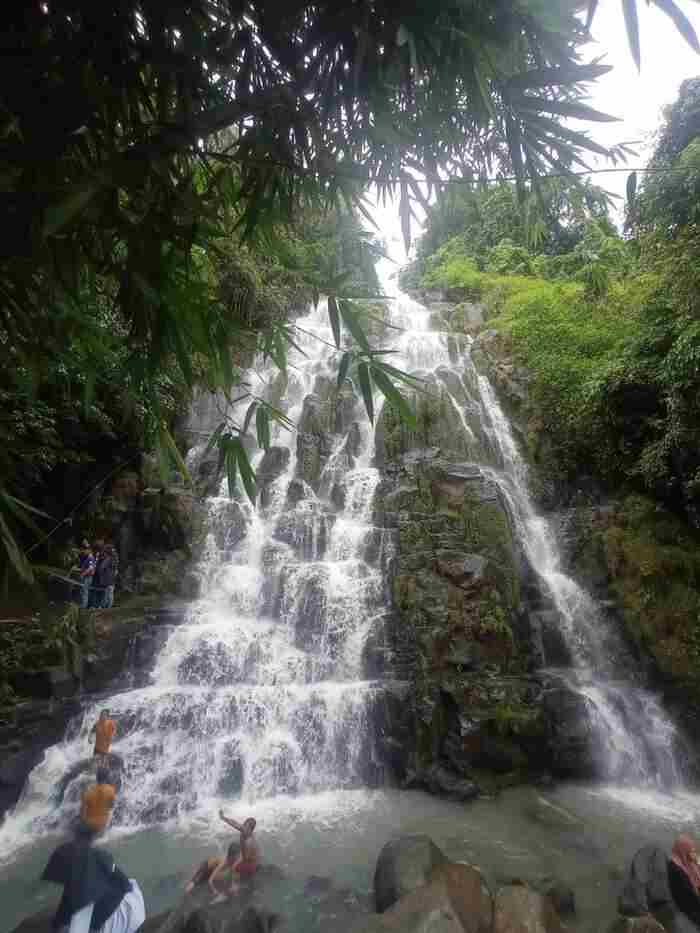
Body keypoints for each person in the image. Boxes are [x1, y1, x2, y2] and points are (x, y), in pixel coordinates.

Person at [42, 834, 144, 933]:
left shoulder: (78, 889)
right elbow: (123, 882)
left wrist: (57, 925)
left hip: (116, 921)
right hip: (135, 906)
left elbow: (64, 918)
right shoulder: (96, 858)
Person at [217, 810, 259, 893]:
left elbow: (246, 858)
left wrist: (236, 862)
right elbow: (233, 823)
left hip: (250, 862)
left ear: (251, 830)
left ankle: (235, 886)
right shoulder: (243, 830)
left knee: (234, 868)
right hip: (246, 855)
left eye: (246, 828)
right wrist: (223, 817)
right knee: (233, 861)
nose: (243, 828)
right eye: (244, 825)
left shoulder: (250, 842)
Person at [668, 835, 700, 928]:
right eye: (692, 850)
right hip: (685, 911)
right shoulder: (675, 868)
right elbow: (687, 895)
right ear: (684, 850)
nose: (694, 853)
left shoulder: (691, 865)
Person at [79, 766, 117, 836]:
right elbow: (111, 806)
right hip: (102, 824)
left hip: (89, 825)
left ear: (96, 777)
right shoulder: (111, 790)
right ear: (106, 778)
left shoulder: (88, 791)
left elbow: (82, 814)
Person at [73, 541, 96, 609]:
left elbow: (90, 568)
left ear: (89, 550)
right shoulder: (85, 557)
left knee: (84, 591)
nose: (83, 551)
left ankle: (84, 606)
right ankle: (83, 604)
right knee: (82, 591)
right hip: (85, 576)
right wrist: (77, 569)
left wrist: (83, 574)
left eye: (85, 550)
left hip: (88, 577)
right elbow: (83, 567)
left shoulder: (90, 557)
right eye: (83, 549)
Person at [96, 543, 117, 609]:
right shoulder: (114, 558)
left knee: (107, 594)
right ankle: (108, 606)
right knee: (110, 593)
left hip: (108, 579)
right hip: (112, 579)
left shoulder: (108, 559)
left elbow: (102, 567)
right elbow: (115, 569)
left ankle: (105, 607)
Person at [89, 539, 106, 608]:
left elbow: (97, 565)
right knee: (98, 591)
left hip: (99, 576)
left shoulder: (100, 555)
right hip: (100, 576)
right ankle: (97, 605)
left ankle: (96, 605)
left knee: (96, 590)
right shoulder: (99, 555)